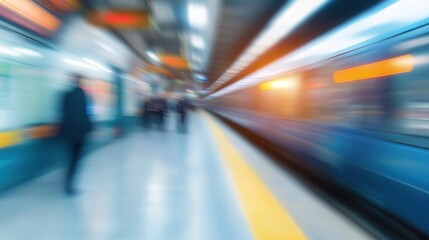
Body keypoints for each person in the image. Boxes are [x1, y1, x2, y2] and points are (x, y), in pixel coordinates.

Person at [60, 74, 92, 195]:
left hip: (69, 132)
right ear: (80, 82)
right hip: (81, 132)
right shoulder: (84, 95)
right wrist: (90, 129)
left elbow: (63, 114)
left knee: (71, 158)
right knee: (76, 159)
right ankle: (71, 184)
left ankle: (68, 183)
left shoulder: (65, 95)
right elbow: (87, 113)